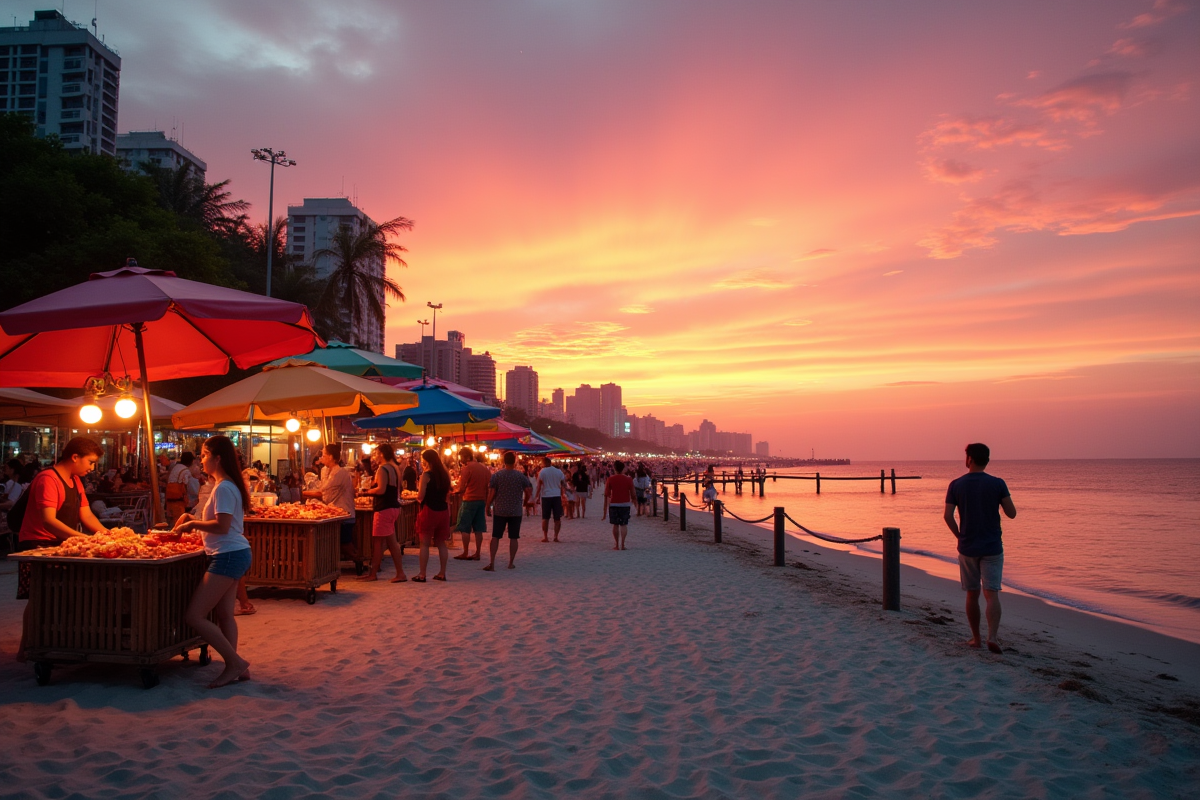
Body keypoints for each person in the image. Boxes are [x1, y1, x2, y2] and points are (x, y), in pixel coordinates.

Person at [14, 437, 107, 661]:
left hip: (61, 543)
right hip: (38, 544)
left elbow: (86, 514)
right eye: (91, 462)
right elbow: (48, 521)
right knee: (39, 596)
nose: (92, 467)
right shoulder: (48, 479)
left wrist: (107, 534)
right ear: (75, 457)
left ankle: (59, 641)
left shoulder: (76, 480)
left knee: (63, 593)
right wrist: (83, 538)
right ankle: (25, 647)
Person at [173, 435, 253, 688]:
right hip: (234, 553)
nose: (201, 460)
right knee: (225, 615)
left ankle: (235, 662)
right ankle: (235, 666)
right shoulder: (226, 485)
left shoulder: (225, 487)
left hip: (228, 555)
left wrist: (192, 524)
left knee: (195, 616)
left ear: (218, 459)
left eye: (205, 455)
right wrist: (192, 518)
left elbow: (222, 525)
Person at [944, 442, 1017, 655]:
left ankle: (976, 638)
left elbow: (948, 516)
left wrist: (960, 536)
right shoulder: (998, 483)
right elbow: (1012, 513)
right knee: (991, 593)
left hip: (967, 547)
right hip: (992, 546)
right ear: (987, 460)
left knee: (972, 594)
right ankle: (992, 636)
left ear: (969, 459)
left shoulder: (956, 485)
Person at [303, 443, 362, 573]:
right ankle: (326, 566)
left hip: (345, 513)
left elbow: (323, 492)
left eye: (324, 454)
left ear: (331, 456)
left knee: (345, 543)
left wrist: (302, 493)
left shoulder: (340, 473)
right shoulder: (325, 471)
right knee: (330, 542)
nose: (321, 457)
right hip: (332, 513)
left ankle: (358, 561)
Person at [357, 443, 407, 583]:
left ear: (382, 454)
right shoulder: (395, 468)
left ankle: (376, 573)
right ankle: (396, 573)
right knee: (391, 542)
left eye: (376, 454)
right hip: (393, 507)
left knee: (379, 543)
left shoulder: (383, 468)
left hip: (384, 508)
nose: (374, 457)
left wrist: (364, 492)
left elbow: (381, 490)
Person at [484, 450, 532, 572]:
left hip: (500, 509)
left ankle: (492, 563)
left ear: (503, 461)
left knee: (495, 536)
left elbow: (492, 492)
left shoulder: (497, 476)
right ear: (515, 461)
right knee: (514, 537)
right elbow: (528, 491)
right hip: (515, 510)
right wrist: (525, 502)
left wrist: (488, 505)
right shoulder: (520, 476)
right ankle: (510, 563)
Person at [414, 448, 451, 582]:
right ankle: (442, 573)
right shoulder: (444, 474)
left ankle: (422, 574)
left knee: (424, 543)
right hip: (443, 510)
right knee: (441, 543)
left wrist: (417, 496)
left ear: (426, 460)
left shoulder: (427, 475)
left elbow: (421, 495)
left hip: (429, 510)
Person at [453, 449, 490, 561]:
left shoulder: (467, 468)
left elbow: (462, 487)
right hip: (481, 500)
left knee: (465, 527)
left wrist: (455, 490)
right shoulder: (484, 469)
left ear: (466, 457)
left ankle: (465, 552)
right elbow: (488, 486)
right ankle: (477, 552)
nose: (461, 461)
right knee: (478, 528)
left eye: (461, 458)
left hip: (469, 499)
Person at [604, 460, 636, 550]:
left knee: (615, 524)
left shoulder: (610, 479)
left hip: (614, 503)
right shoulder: (628, 479)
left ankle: (617, 544)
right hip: (625, 503)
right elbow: (633, 493)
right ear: (623, 468)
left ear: (614, 468)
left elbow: (607, 493)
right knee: (623, 524)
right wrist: (634, 502)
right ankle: (623, 544)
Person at [534, 456, 567, 543]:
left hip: (546, 496)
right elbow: (563, 483)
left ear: (545, 463)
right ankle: (556, 537)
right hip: (556, 496)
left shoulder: (542, 472)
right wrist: (564, 494)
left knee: (545, 518)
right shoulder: (558, 471)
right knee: (557, 518)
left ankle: (545, 537)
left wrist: (537, 497)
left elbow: (539, 486)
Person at [164, 454, 191, 525]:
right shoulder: (186, 470)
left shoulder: (176, 467)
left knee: (172, 521)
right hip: (178, 499)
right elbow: (185, 484)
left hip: (169, 497)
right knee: (179, 523)